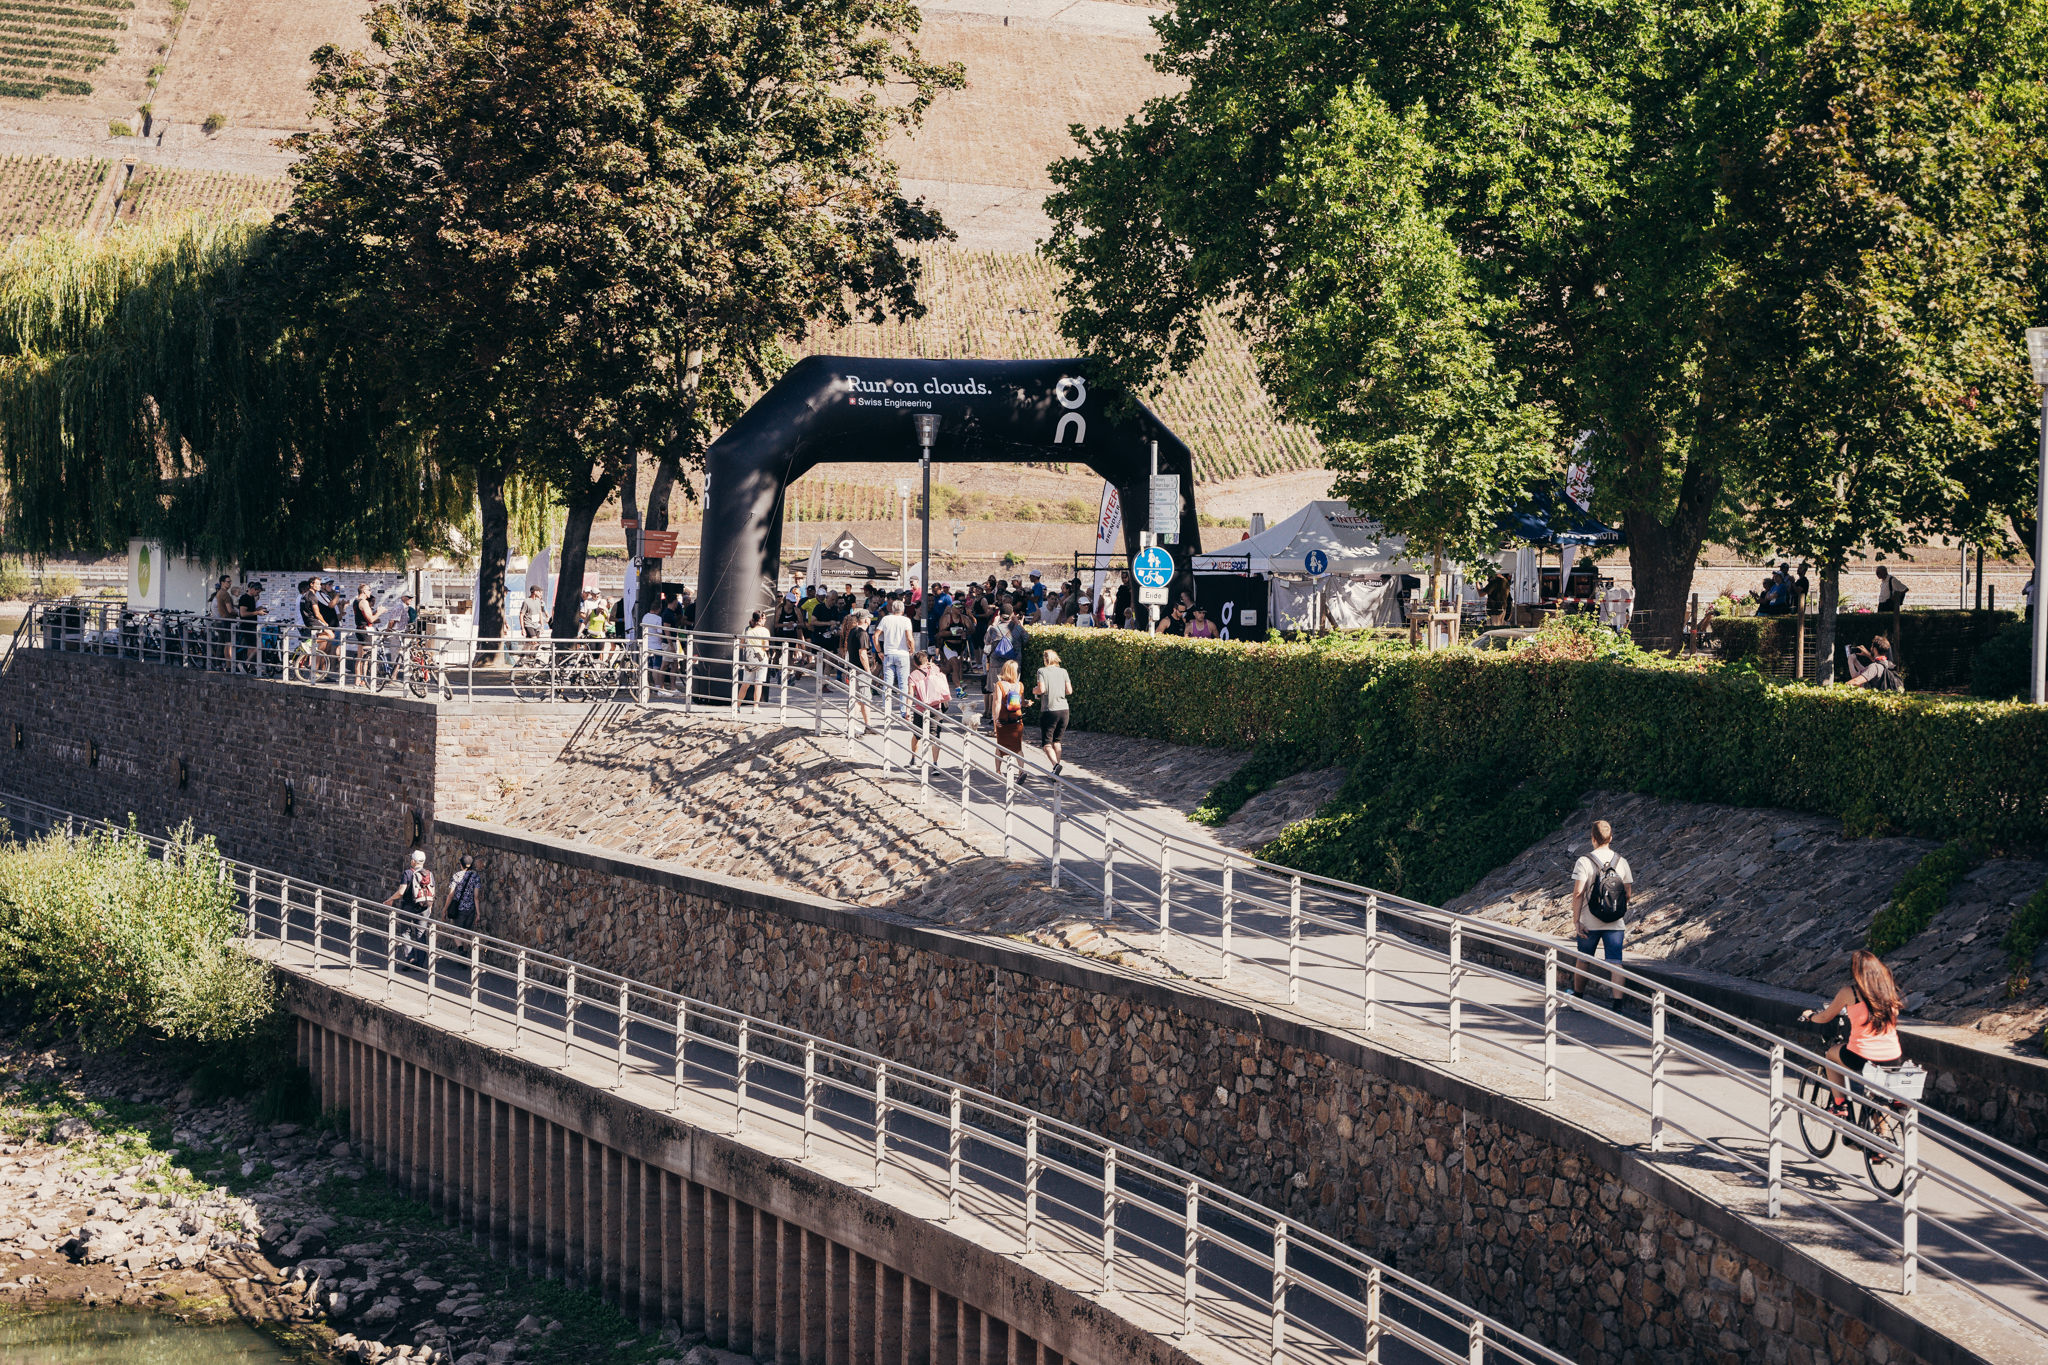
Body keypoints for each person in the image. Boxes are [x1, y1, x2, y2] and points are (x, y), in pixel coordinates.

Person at [1800, 950, 1905, 1115]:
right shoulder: (1887, 990)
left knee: (1830, 1055)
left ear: (1856, 970)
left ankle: (1840, 1105)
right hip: (1892, 1056)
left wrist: (1811, 1016)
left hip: (1862, 1055)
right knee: (1879, 1098)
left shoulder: (1851, 992)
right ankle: (1882, 1137)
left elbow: (1826, 1016)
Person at [1568, 819, 1633, 1004]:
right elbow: (1627, 893)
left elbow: (1578, 893)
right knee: (1616, 962)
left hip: (1590, 922)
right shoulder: (1622, 861)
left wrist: (1576, 921)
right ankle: (1618, 1006)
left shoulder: (1584, 861)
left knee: (1584, 959)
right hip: (1615, 922)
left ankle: (1578, 999)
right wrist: (1614, 909)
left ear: (1592, 838)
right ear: (1610, 838)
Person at [382, 849, 436, 969]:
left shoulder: (408, 873)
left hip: (408, 907)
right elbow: (432, 892)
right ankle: (420, 963)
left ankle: (410, 958)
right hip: (424, 908)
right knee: (421, 935)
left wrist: (390, 899)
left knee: (405, 932)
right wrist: (430, 908)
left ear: (413, 861)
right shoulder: (429, 874)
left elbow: (401, 892)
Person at [1032, 648, 1074, 774]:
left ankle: (1055, 765)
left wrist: (1035, 691)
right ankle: (1057, 770)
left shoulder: (1042, 671)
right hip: (1064, 709)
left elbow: (1042, 689)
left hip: (1049, 710)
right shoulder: (1063, 671)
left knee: (1047, 743)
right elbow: (1069, 691)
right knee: (1057, 741)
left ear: (1045, 659)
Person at [906, 650, 952, 766]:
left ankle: (914, 759)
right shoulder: (935, 669)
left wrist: (907, 710)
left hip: (920, 708)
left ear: (915, 663)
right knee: (935, 737)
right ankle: (935, 764)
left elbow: (911, 693)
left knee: (917, 735)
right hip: (936, 707)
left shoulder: (913, 675)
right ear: (926, 660)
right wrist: (933, 665)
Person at [876, 598, 915, 715]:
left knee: (887, 684)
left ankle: (887, 710)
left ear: (892, 609)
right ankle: (903, 711)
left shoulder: (886, 619)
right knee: (903, 684)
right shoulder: (906, 620)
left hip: (888, 653)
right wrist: (911, 649)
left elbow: (875, 636)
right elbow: (909, 637)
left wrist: (879, 651)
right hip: (902, 654)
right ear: (902, 610)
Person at [993, 659, 1027, 779]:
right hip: (1017, 719)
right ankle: (1021, 771)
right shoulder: (1020, 685)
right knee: (1018, 747)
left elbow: (997, 703)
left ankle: (998, 770)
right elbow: (1022, 703)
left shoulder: (1000, 685)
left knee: (1000, 745)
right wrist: (1028, 703)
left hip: (1003, 719)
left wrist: (996, 719)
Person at [843, 607, 876, 731]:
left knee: (861, 698)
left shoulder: (853, 631)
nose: (870, 620)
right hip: (860, 671)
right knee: (860, 699)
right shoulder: (862, 633)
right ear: (865, 620)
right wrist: (868, 671)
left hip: (853, 669)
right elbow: (863, 654)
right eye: (869, 618)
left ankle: (868, 725)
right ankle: (851, 725)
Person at [444, 853, 483, 932]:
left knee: (457, 933)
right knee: (466, 933)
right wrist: (478, 914)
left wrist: (444, 909)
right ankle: (465, 945)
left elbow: (451, 895)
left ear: (461, 865)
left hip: (459, 909)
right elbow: (476, 897)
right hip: (470, 910)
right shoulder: (476, 877)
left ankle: (460, 945)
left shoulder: (456, 876)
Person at [352, 583, 381, 687]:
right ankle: (364, 681)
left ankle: (358, 680)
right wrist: (379, 612)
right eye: (369, 590)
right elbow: (371, 619)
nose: (370, 592)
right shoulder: (364, 602)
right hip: (366, 631)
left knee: (360, 657)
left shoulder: (356, 601)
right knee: (366, 658)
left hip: (359, 630)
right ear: (363, 591)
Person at [741, 609, 772, 707]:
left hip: (749, 659)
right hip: (761, 659)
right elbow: (766, 647)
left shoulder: (746, 629)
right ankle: (755, 707)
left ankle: (737, 706)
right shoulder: (765, 631)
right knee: (758, 683)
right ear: (760, 619)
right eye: (764, 618)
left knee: (745, 684)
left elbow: (741, 645)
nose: (765, 620)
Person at [641, 600, 667, 693]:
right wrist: (663, 644)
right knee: (657, 667)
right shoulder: (658, 619)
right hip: (657, 646)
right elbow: (660, 634)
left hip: (647, 645)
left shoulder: (645, 617)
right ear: (659, 609)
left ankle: (648, 685)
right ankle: (657, 686)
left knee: (649, 667)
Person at [517, 585, 548, 658]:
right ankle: (531, 658)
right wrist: (522, 628)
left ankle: (522, 658)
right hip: (528, 625)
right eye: (538, 591)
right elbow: (521, 615)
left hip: (536, 625)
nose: (540, 593)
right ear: (534, 592)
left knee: (528, 643)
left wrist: (542, 626)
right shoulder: (526, 601)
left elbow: (540, 613)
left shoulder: (538, 601)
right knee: (535, 643)